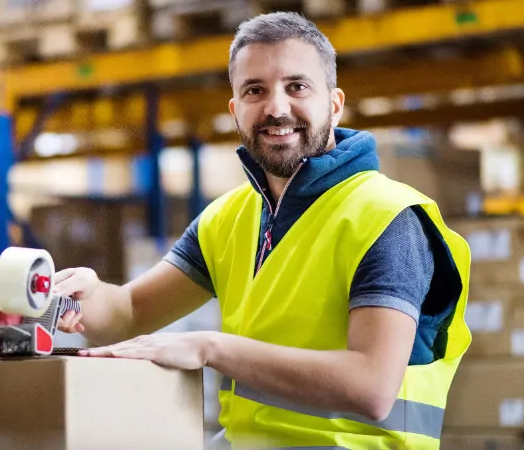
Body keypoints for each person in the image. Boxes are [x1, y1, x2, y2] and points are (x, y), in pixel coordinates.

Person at [51, 11, 472, 450]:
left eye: (297, 86)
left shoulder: (387, 218)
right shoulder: (228, 218)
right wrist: (91, 295)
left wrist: (211, 348)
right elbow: (131, 312)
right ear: (235, 110)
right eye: (255, 90)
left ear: (334, 103)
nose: (276, 107)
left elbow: (372, 387)